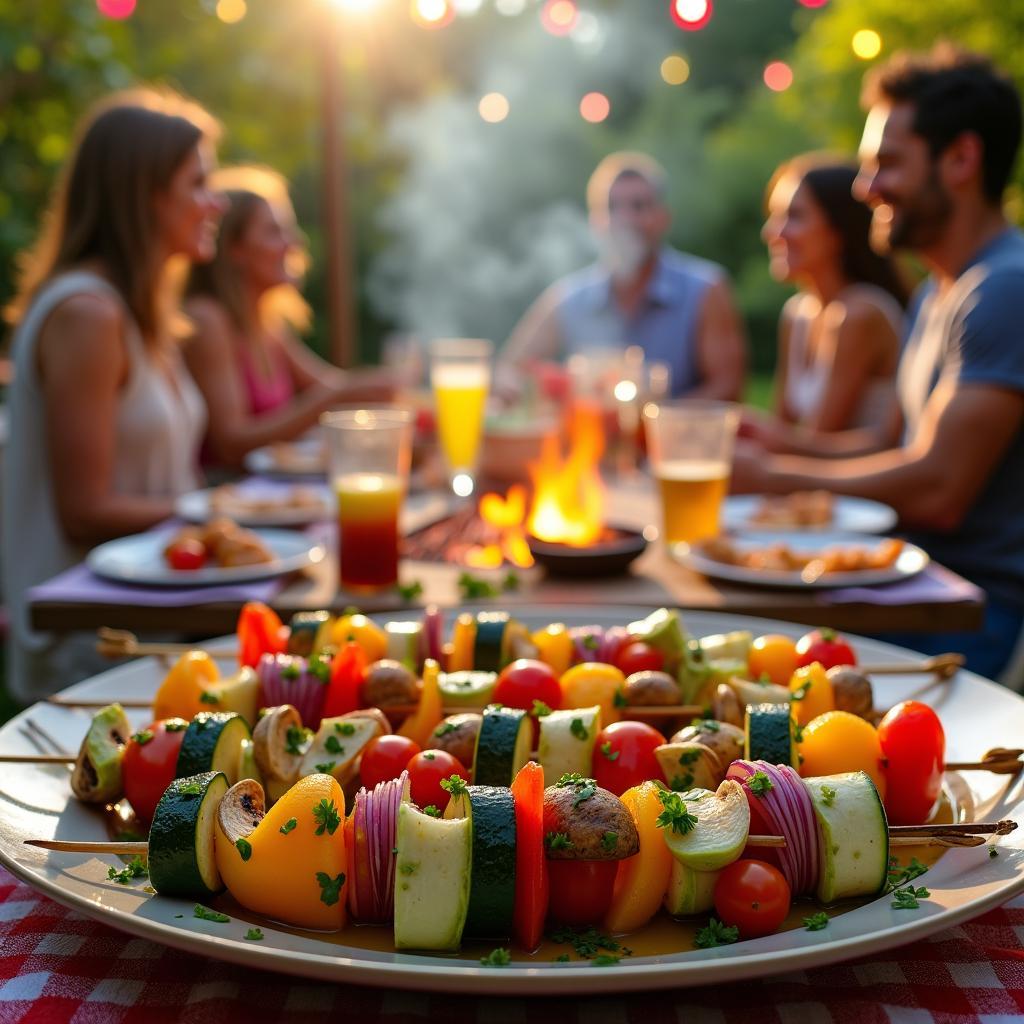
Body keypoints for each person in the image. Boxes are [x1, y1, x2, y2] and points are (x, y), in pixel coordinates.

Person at [732, 45, 1024, 679]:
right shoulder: (936, 292)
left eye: (887, 164)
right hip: (905, 585)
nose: (865, 189)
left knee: (746, 668)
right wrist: (769, 453)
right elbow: (889, 447)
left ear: (962, 159)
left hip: (970, 616)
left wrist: (773, 475)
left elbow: (939, 489)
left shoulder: (1005, 289)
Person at [1, 89, 223, 701]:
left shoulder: (137, 310)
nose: (216, 201)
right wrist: (211, 512)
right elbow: (84, 507)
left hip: (148, 628)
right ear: (145, 195)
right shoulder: (87, 314)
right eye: (198, 183)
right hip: (88, 652)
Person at [183, 165, 393, 469]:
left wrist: (389, 387)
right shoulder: (208, 318)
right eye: (274, 232)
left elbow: (330, 384)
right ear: (235, 249)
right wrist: (336, 399)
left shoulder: (267, 324)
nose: (295, 243)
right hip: (225, 500)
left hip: (265, 497)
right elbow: (231, 442)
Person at [499, 152, 747, 400]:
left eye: (639, 206)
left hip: (675, 438)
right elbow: (510, 370)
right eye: (611, 207)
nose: (625, 219)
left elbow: (727, 390)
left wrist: (648, 421)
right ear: (595, 222)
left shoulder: (706, 289)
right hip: (588, 435)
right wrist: (542, 391)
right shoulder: (568, 297)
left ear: (663, 218)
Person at [748, 155, 910, 455]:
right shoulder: (797, 314)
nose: (772, 232)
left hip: (866, 496)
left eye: (793, 216)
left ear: (838, 231)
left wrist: (746, 430)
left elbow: (812, 444)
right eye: (774, 216)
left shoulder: (860, 314)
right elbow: (783, 430)